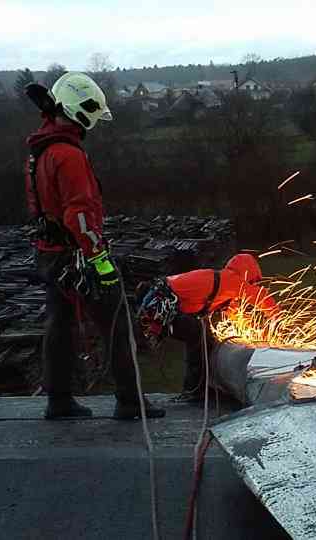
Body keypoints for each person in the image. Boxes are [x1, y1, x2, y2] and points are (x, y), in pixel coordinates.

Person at [25, 72, 165, 420]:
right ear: (80, 111)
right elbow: (80, 216)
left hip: (50, 253)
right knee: (118, 324)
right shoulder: (68, 155)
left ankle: (58, 399)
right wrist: (100, 262)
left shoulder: (40, 150)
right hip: (77, 257)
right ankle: (131, 402)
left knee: (59, 325)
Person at [138, 254, 280, 403]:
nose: (252, 284)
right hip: (160, 305)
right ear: (246, 272)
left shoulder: (223, 283)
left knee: (204, 336)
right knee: (199, 337)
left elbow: (235, 314)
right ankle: (194, 391)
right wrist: (278, 318)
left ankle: (205, 387)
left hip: (157, 299)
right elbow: (261, 298)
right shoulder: (234, 281)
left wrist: (249, 331)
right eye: (251, 281)